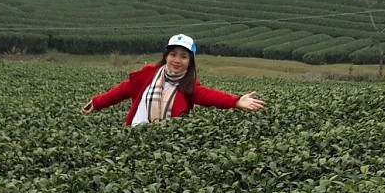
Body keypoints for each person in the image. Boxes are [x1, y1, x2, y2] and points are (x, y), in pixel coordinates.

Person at [81, 34, 265, 126]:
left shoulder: (188, 86)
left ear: (190, 61)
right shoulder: (147, 75)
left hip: (165, 141)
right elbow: (122, 90)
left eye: (183, 56)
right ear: (166, 56)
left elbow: (210, 96)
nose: (177, 60)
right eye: (173, 54)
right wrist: (97, 103)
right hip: (134, 133)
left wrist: (236, 101)